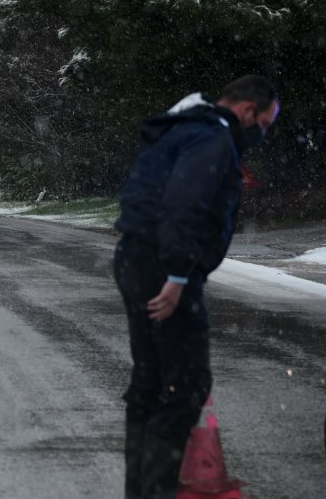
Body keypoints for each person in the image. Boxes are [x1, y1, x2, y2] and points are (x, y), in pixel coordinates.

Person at [113, 75, 280, 499]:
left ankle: (140, 491)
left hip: (134, 256)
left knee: (150, 381)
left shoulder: (180, 127)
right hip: (165, 267)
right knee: (185, 386)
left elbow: (148, 196)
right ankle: (155, 492)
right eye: (265, 122)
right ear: (247, 111)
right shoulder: (214, 139)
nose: (263, 132)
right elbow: (184, 204)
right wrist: (176, 276)